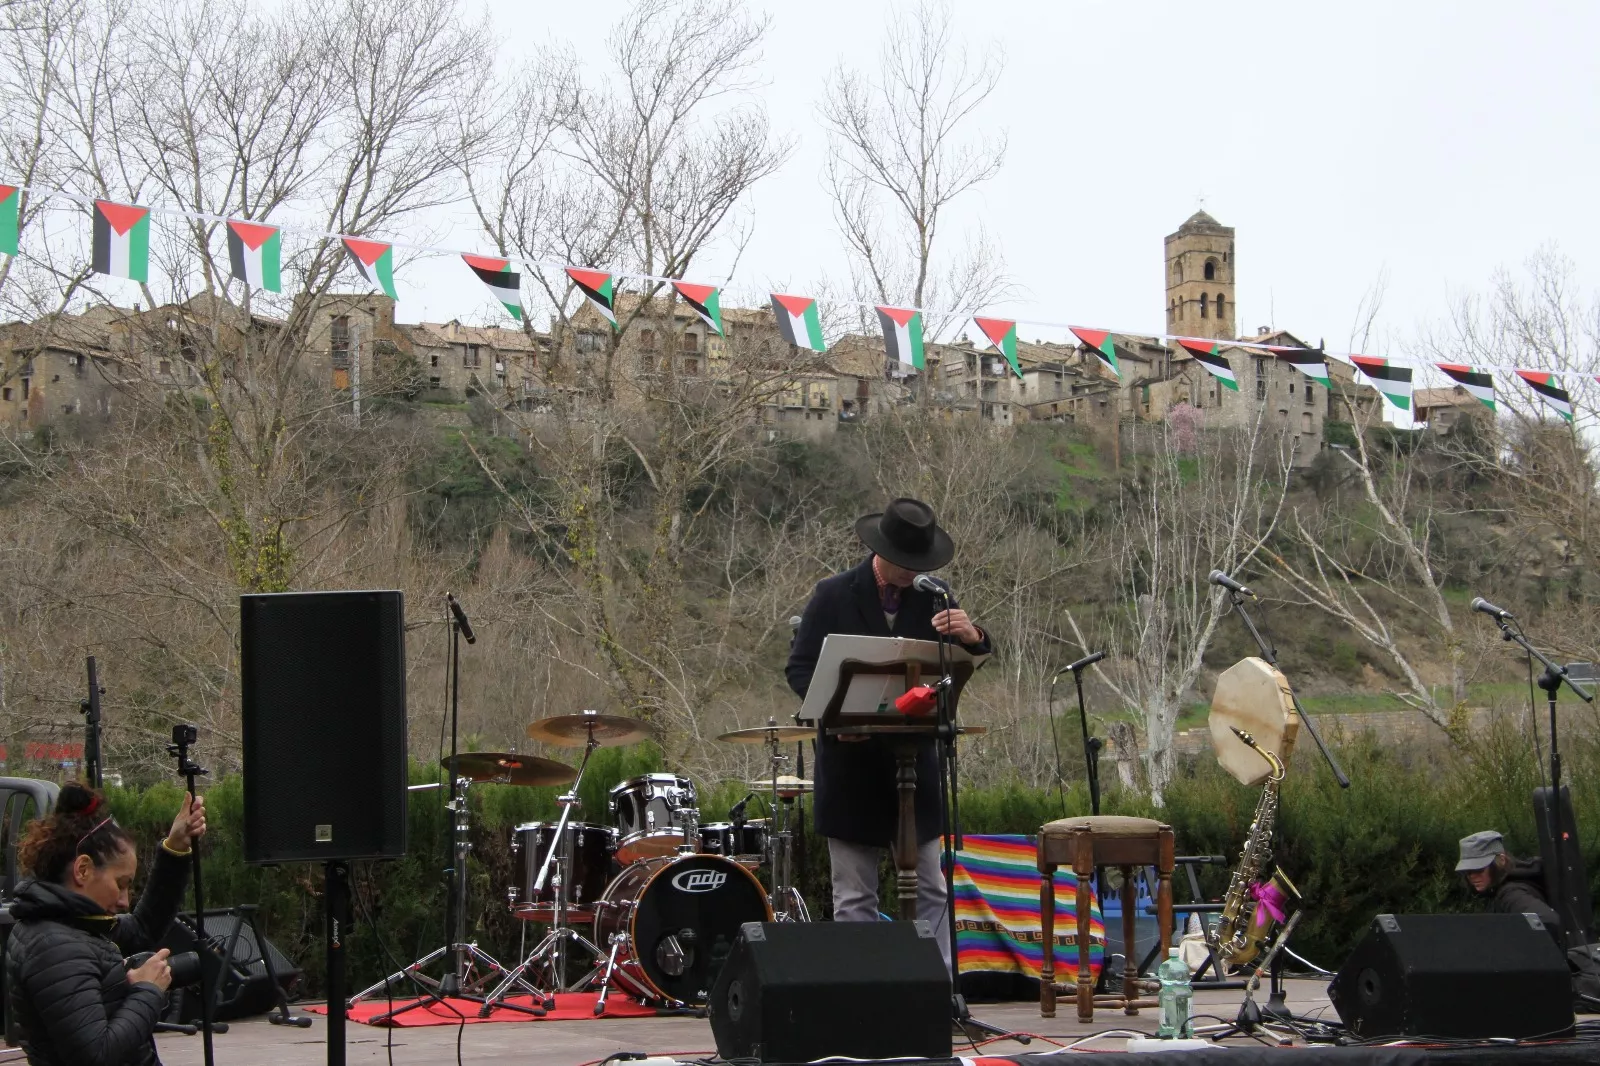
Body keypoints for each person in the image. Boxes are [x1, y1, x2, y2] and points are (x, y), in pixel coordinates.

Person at [786, 498, 993, 969]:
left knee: (931, 887)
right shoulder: (833, 594)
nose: (914, 573)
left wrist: (972, 635)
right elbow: (799, 670)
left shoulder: (935, 595)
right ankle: (863, 992)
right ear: (883, 553)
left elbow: (964, 663)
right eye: (907, 565)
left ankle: (937, 988)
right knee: (855, 893)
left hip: (914, 765)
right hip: (850, 763)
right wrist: (839, 718)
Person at [6, 782, 208, 1066]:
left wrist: (175, 847)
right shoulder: (56, 948)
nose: (125, 901)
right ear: (83, 869)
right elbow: (97, 1055)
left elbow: (141, 929)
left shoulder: (70, 924)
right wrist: (147, 991)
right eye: (121, 883)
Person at [1456, 830, 1562, 935]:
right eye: (1468, 871)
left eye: (1478, 869)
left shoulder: (1511, 894)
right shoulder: (1494, 891)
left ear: (1501, 861)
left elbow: (1548, 922)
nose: (1473, 876)